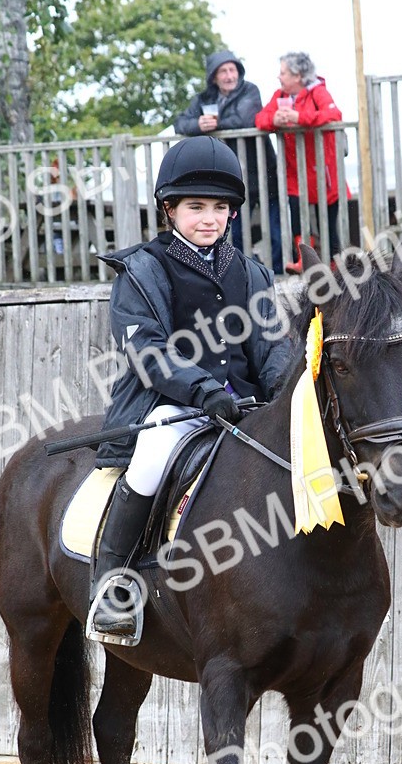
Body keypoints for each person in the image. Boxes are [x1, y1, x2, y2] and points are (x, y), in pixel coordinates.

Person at [89, 136, 292, 641]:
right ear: (169, 210)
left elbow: (273, 347)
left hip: (246, 409)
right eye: (196, 207)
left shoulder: (252, 273)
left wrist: (288, 396)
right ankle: (112, 584)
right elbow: (149, 349)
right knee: (155, 452)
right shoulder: (144, 269)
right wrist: (203, 390)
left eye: (220, 208)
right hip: (173, 409)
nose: (210, 218)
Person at [174, 49, 283, 274]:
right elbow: (180, 122)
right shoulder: (204, 98)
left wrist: (216, 123)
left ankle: (278, 270)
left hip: (262, 171)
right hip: (231, 177)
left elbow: (245, 117)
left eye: (232, 70)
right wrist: (198, 125)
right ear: (214, 76)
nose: (229, 76)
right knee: (235, 229)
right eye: (223, 71)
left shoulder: (249, 90)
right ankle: (242, 271)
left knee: (274, 228)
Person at [256, 51, 344, 269]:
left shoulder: (318, 92)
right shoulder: (279, 96)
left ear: (297, 75)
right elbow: (260, 118)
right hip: (295, 171)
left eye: (283, 72)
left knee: (328, 224)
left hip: (324, 171)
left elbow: (334, 115)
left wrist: (301, 118)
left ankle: (335, 267)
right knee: (297, 219)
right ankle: (304, 261)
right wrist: (274, 120)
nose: (279, 77)